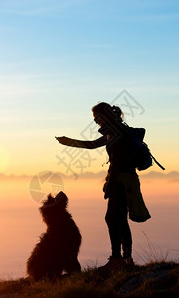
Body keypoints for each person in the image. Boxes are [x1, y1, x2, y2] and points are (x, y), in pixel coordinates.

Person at [56, 102, 149, 270]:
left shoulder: (116, 132)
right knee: (119, 219)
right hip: (127, 179)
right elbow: (93, 145)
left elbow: (117, 161)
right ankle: (125, 259)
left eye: (97, 117)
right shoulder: (117, 130)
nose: (96, 121)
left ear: (105, 115)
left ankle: (117, 259)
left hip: (120, 180)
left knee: (112, 218)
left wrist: (110, 184)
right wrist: (69, 142)